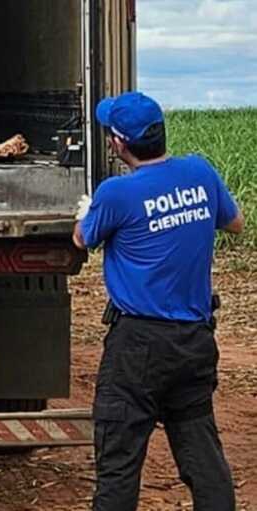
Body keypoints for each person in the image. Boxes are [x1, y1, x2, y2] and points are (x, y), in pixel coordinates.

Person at [73, 91, 244, 511]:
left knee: (119, 461)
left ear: (118, 144)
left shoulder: (117, 193)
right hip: (195, 340)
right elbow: (236, 224)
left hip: (138, 347)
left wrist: (86, 209)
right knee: (201, 453)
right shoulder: (200, 173)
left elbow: (82, 239)